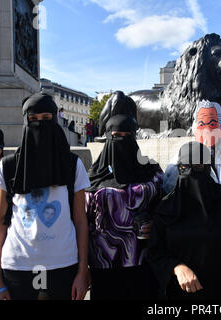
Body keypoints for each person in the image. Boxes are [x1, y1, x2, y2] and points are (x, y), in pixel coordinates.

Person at [0, 93, 90, 300]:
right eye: (33, 119)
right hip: (18, 265)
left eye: (46, 119)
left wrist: (82, 271)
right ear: (25, 121)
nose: (40, 125)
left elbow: (81, 221)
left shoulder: (72, 165)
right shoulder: (8, 167)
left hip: (63, 264)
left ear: (55, 120)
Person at [148, 141, 221, 300]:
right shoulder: (167, 208)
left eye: (198, 167)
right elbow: (155, 252)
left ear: (208, 168)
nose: (190, 174)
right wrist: (176, 267)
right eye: (184, 168)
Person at [85, 91, 163, 300]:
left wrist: (154, 221)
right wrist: (81, 268)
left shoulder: (152, 171)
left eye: (128, 136)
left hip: (142, 261)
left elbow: (165, 207)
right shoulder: (93, 176)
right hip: (103, 265)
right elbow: (83, 222)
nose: (122, 141)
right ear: (108, 137)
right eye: (117, 136)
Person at [163, 100, 221, 204]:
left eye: (212, 124)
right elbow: (171, 195)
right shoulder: (180, 160)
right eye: (201, 124)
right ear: (194, 129)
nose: (207, 130)